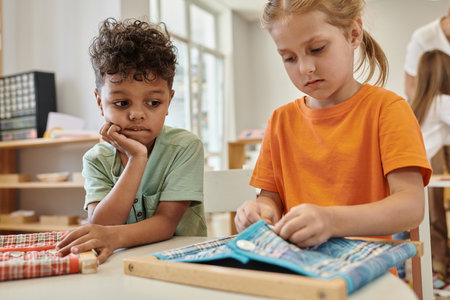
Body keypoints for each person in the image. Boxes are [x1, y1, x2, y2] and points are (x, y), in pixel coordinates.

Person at [235, 0, 431, 253]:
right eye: (289, 58)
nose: (306, 68)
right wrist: (261, 212)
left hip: (366, 272)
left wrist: (331, 221)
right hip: (297, 268)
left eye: (317, 49)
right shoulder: (280, 121)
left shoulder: (388, 109)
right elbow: (271, 198)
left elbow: (410, 208)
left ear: (353, 34)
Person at [56, 18, 207, 264]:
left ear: (168, 101)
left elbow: (166, 223)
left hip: (182, 263)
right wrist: (137, 159)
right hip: (122, 266)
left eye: (153, 103)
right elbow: (102, 225)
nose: (137, 114)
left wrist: (137, 156)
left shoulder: (185, 147)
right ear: (99, 101)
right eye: (122, 103)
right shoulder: (95, 160)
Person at [410, 50, 450, 290]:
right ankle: (440, 272)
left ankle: (434, 272)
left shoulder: (419, 104)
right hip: (429, 169)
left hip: (414, 169)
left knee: (425, 224)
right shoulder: (443, 102)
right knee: (436, 220)